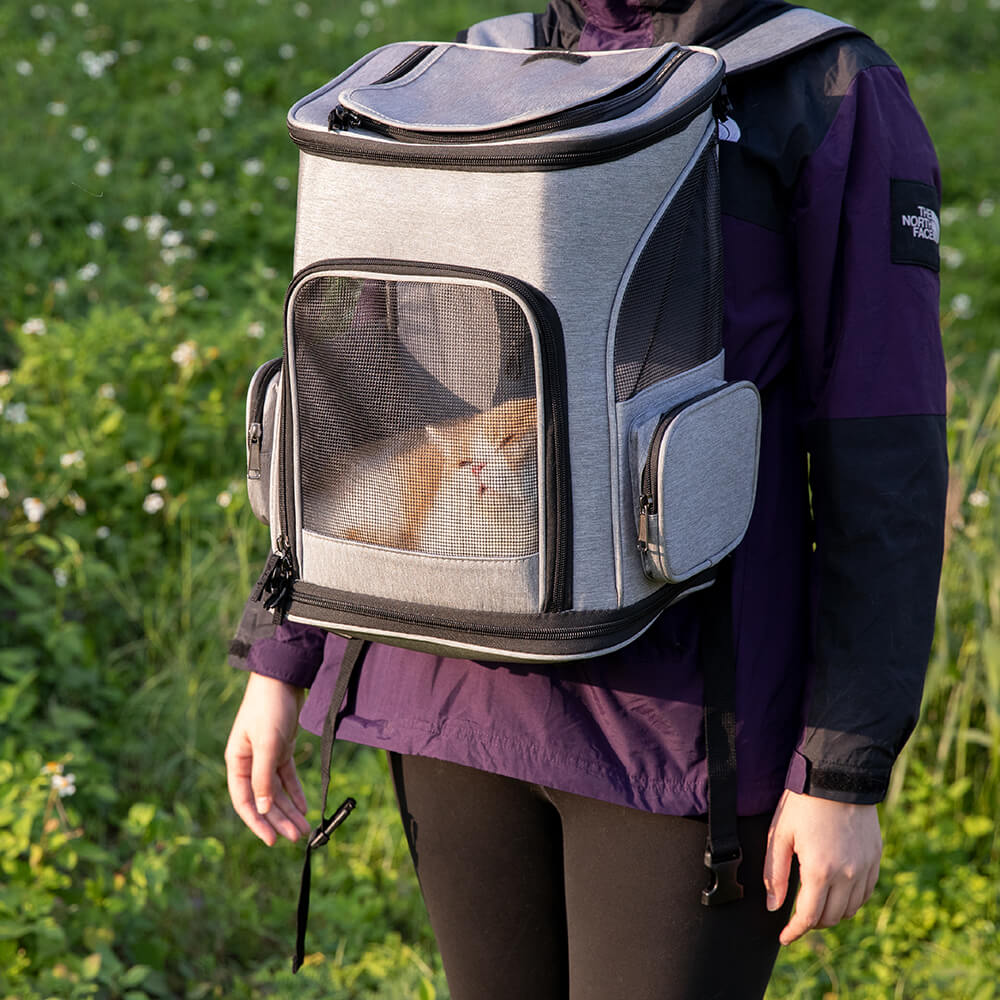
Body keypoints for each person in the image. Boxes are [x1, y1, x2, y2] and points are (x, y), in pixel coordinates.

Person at [225, 1, 948, 996]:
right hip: (454, 684)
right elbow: (358, 385)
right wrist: (281, 651)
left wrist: (842, 765)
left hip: (681, 733)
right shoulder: (479, 69)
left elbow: (882, 450)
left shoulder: (818, 90)